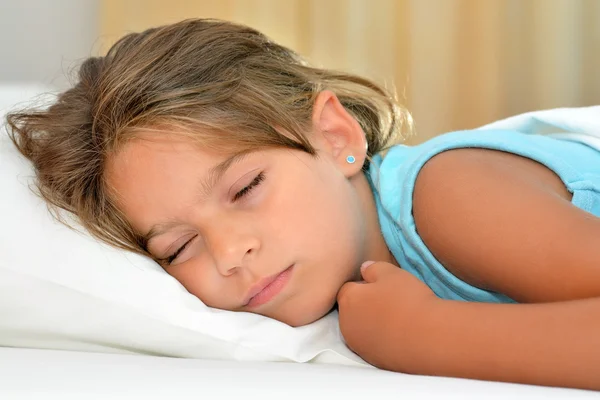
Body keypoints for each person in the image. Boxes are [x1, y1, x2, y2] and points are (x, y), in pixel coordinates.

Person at [6, 19, 600, 390]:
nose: (231, 251)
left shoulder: (451, 194)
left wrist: (428, 334)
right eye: (178, 247)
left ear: (335, 138)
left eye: (246, 188)